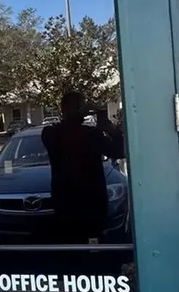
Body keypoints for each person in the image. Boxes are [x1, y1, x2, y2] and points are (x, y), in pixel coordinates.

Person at [41, 91, 124, 243]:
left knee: (77, 245)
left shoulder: (53, 134)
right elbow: (118, 151)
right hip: (84, 205)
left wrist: (108, 131)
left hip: (73, 205)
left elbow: (119, 152)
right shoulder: (87, 135)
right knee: (85, 246)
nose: (86, 110)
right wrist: (111, 132)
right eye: (82, 106)